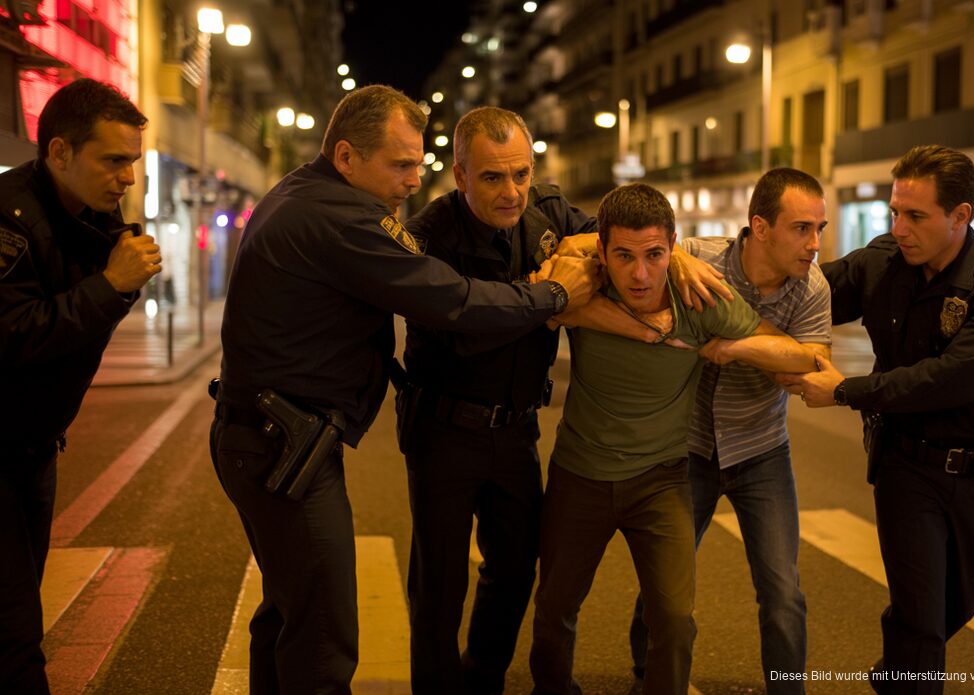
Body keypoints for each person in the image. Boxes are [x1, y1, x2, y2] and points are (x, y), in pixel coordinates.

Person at [211, 86, 599, 695]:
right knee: (323, 632)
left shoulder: (307, 194)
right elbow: (452, 303)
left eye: (418, 163)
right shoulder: (343, 219)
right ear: (345, 156)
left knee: (291, 609)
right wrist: (554, 296)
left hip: (281, 433)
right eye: (401, 165)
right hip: (291, 438)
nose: (415, 179)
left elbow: (615, 235)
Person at [400, 107, 729, 695]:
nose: (512, 191)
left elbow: (618, 238)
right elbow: (461, 328)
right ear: (460, 175)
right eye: (494, 178)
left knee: (515, 567)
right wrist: (548, 295)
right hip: (445, 430)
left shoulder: (547, 212)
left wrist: (673, 253)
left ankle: (483, 680)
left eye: (521, 174)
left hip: (516, 430)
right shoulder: (428, 235)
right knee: (440, 582)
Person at [529, 183, 820, 695]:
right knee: (555, 609)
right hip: (580, 476)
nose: (640, 274)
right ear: (602, 252)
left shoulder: (698, 296)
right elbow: (544, 292)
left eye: (655, 255)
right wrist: (647, 330)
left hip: (662, 481)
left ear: (673, 249)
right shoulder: (588, 285)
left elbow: (805, 359)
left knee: (674, 617)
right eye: (624, 256)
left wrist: (730, 347)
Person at [792, 145, 974, 694]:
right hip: (907, 466)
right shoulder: (883, 261)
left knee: (961, 601)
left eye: (915, 216)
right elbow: (808, 294)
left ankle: (897, 673)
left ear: (961, 217)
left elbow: (953, 377)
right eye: (894, 213)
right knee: (921, 618)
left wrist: (845, 390)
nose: (899, 228)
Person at [628, 168, 833, 694]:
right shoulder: (698, 257)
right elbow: (628, 251)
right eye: (802, 229)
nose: (815, 244)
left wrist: (736, 344)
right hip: (688, 446)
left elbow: (809, 368)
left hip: (762, 450)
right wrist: (671, 257)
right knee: (665, 586)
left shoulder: (812, 286)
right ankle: (644, 678)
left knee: (782, 590)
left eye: (820, 229)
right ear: (760, 227)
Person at [0, 78, 159, 694]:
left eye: (132, 163)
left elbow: (76, 326)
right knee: (14, 637)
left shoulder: (93, 214)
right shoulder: (8, 215)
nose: (125, 177)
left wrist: (114, 286)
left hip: (32, 448)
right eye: (113, 160)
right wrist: (111, 286)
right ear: (60, 152)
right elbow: (10, 334)